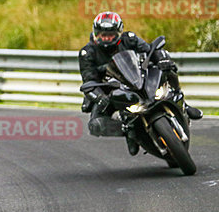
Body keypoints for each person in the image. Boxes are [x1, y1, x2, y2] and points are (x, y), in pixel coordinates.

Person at [79, 11, 202, 150]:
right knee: (95, 124)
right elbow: (89, 80)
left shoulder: (129, 39)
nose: (107, 38)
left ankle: (183, 104)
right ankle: (131, 133)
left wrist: (162, 60)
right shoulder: (87, 53)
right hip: (111, 88)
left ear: (119, 32)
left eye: (110, 35)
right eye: (103, 35)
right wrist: (101, 97)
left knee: (167, 66)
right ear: (96, 33)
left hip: (137, 76)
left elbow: (150, 50)